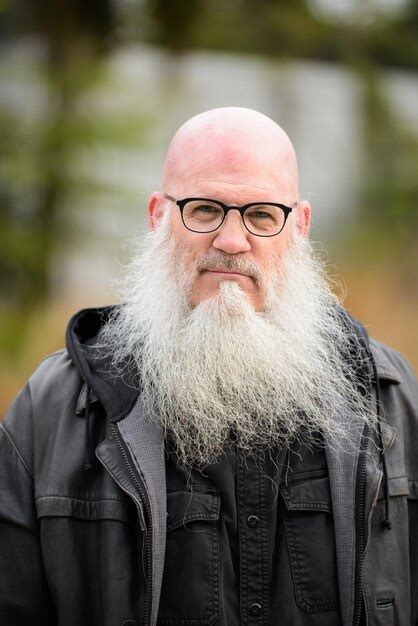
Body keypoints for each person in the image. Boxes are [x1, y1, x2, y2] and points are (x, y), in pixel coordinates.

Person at [0, 107, 417, 626]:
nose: (231, 241)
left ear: (300, 227)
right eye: (203, 209)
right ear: (158, 215)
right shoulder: (51, 411)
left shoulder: (391, 401)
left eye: (262, 214)